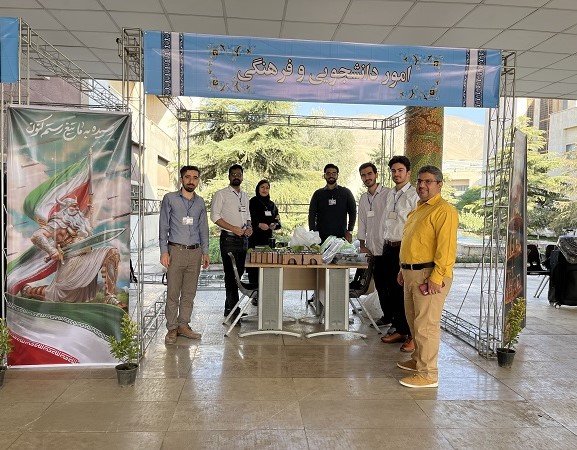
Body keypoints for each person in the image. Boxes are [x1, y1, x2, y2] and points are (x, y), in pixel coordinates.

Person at [396, 165, 458, 388]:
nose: (422, 185)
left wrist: (436, 277)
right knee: (414, 321)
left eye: (428, 181)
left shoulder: (444, 210)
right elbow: (414, 243)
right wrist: (403, 269)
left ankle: (428, 374)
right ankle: (418, 360)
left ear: (439, 184)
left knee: (426, 326)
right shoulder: (420, 208)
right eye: (420, 181)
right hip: (412, 273)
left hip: (429, 274)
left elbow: (446, 249)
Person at [23, 196, 126, 309]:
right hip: (70, 263)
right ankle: (28, 291)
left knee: (112, 253)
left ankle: (110, 296)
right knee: (56, 295)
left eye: (77, 206)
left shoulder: (80, 221)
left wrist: (88, 212)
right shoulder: (58, 222)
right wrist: (51, 250)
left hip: (87, 257)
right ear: (65, 209)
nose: (77, 208)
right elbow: (36, 236)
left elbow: (80, 231)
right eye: (74, 206)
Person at [159, 165, 210, 345]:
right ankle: (172, 328)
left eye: (195, 178)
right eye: (188, 177)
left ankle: (183, 325)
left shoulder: (200, 202)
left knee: (189, 292)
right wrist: (164, 251)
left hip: (195, 252)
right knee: (173, 292)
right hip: (176, 251)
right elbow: (163, 226)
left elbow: (203, 228)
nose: (191, 181)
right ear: (182, 179)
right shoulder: (170, 199)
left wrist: (205, 252)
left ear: (198, 181)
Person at [379, 156, 419, 352]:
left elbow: (416, 226)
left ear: (408, 172)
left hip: (404, 248)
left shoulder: (414, 195)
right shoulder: (390, 194)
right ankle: (400, 329)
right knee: (391, 291)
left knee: (405, 293)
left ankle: (412, 335)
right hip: (389, 246)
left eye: (400, 170)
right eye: (393, 171)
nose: (396, 174)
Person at [210, 164, 253, 320]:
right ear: (229, 177)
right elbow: (214, 217)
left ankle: (231, 307)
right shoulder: (221, 194)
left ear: (242, 177)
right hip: (228, 239)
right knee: (231, 275)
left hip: (243, 240)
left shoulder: (245, 196)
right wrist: (233, 228)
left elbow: (247, 216)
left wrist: (249, 227)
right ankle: (232, 310)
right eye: (233, 174)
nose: (236, 177)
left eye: (239, 174)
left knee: (238, 275)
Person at [356, 162, 392, 326]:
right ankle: (387, 316)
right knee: (380, 285)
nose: (367, 178)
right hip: (372, 249)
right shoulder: (364, 198)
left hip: (387, 247)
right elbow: (361, 221)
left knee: (391, 286)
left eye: (369, 174)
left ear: (376, 175)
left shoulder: (388, 194)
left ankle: (396, 320)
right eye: (363, 175)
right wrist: (362, 244)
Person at [308, 163, 356, 243]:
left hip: (341, 236)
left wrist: (350, 231)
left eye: (334, 173)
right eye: (328, 173)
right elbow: (312, 214)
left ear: (337, 176)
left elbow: (353, 212)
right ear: (324, 176)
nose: (331, 176)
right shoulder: (318, 194)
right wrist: (312, 232)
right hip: (321, 237)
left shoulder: (346, 192)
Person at [247, 179, 281, 285]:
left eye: (267, 188)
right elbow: (247, 219)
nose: (264, 190)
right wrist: (258, 225)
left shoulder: (272, 205)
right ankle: (254, 290)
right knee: (254, 267)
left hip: (267, 241)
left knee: (266, 265)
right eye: (262, 187)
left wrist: (274, 225)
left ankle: (265, 289)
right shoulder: (252, 202)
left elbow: (278, 221)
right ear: (258, 189)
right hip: (254, 239)